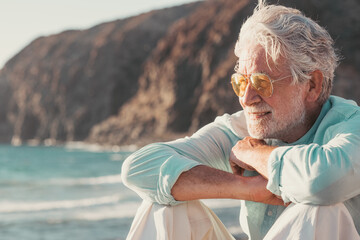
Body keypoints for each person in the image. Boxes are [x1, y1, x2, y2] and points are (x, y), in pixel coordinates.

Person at [121, 1, 360, 239]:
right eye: (241, 82)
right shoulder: (239, 128)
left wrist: (254, 154)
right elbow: (139, 167)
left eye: (261, 83)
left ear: (312, 85)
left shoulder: (350, 125)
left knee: (319, 207)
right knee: (163, 206)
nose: (247, 98)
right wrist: (247, 189)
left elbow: (323, 182)